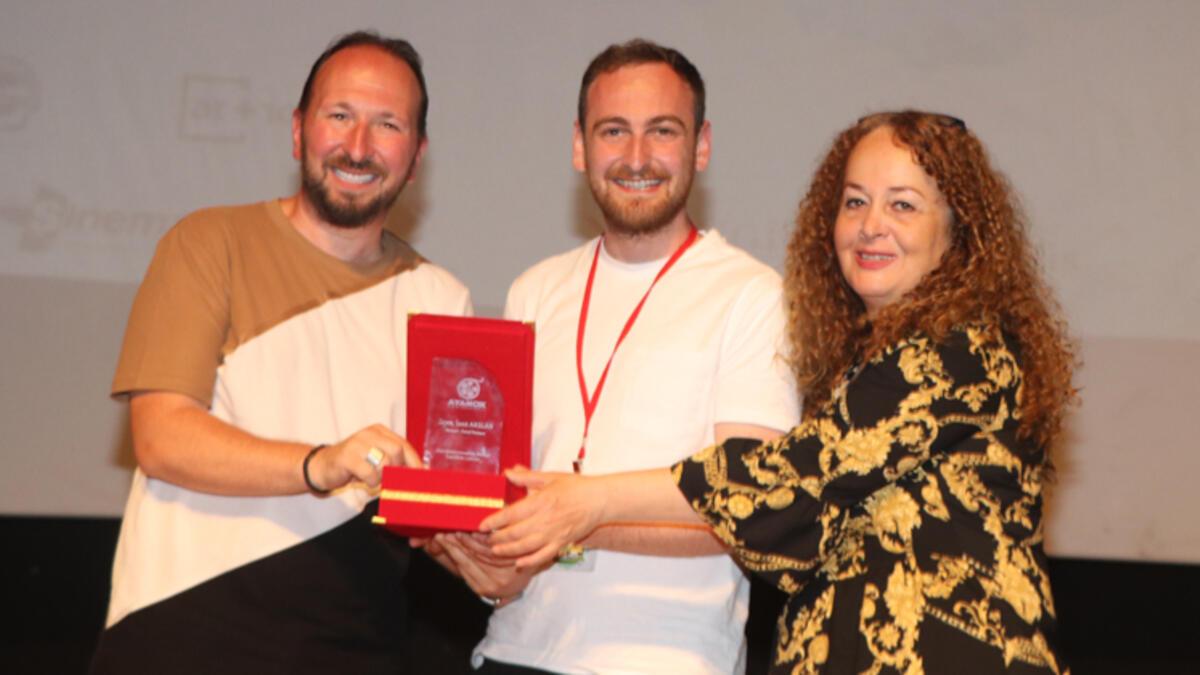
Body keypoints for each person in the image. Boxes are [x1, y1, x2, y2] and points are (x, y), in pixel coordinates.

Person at [484, 111, 1077, 674]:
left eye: (903, 204)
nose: (871, 224)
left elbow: (791, 479)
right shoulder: (858, 367)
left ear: (958, 228)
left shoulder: (961, 351)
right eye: (855, 202)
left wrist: (592, 501)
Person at [90, 31, 471, 674]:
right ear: (298, 131)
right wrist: (320, 463)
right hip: (181, 639)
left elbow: (435, 510)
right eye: (339, 116)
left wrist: (501, 557)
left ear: (417, 156)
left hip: (353, 650)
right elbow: (161, 438)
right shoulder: (208, 243)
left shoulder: (441, 300)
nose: (358, 146)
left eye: (387, 125)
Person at [422, 39, 800, 674]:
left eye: (663, 131)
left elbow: (748, 503)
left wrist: (580, 515)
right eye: (613, 131)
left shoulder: (753, 296)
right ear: (580, 146)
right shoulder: (534, 290)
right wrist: (482, 561)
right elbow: (507, 496)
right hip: (515, 650)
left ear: (702, 146)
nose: (637, 157)